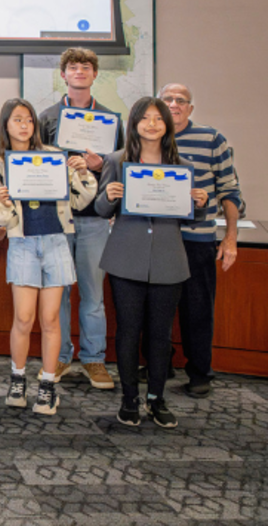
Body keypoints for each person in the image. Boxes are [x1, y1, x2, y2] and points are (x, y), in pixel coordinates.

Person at [95, 97, 208, 429]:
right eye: (145, 118)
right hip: (125, 259)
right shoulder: (116, 161)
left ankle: (156, 399)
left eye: (158, 119)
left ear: (167, 125)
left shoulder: (182, 167)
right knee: (128, 333)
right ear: (134, 124)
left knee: (161, 336)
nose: (152, 124)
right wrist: (109, 196)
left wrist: (198, 204)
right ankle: (129, 399)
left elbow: (188, 218)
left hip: (168, 261)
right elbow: (102, 210)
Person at [0, 98, 97, 415]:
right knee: (23, 319)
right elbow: (2, 220)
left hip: (55, 242)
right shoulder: (0, 164)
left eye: (29, 120)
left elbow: (81, 200)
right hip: (23, 245)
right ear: (6, 126)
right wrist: (4, 202)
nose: (24, 126)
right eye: (17, 120)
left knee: (50, 319)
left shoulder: (54, 157)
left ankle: (48, 385)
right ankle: (17, 379)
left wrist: (83, 173)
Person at [38, 47, 123, 390]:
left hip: (94, 219)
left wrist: (99, 166)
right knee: (58, 293)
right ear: (64, 75)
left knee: (92, 295)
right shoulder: (46, 118)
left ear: (94, 74)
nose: (79, 72)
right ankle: (60, 356)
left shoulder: (111, 119)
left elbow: (121, 167)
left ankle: (93, 358)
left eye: (86, 67)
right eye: (73, 67)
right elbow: (35, 166)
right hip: (56, 219)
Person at [158, 83, 244, 398]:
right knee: (156, 308)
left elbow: (230, 191)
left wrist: (231, 238)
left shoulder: (212, 139)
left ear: (190, 108)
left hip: (198, 239)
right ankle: (159, 364)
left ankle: (199, 373)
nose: (174, 104)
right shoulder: (148, 138)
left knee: (197, 309)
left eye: (181, 100)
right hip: (158, 238)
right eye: (167, 99)